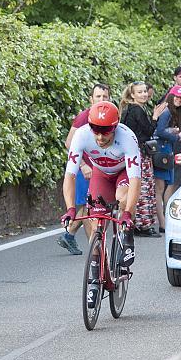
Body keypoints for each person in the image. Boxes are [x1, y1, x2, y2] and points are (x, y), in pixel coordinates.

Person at [60, 101, 142, 309]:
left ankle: (126, 234)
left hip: (123, 175)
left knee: (122, 196)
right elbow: (70, 175)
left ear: (115, 127)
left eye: (105, 132)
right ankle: (96, 277)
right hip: (101, 175)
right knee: (96, 223)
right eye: (95, 130)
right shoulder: (81, 135)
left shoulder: (127, 138)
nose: (99, 137)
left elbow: (135, 182)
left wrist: (128, 214)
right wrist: (70, 208)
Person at [57, 83, 111, 255]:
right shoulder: (83, 117)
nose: (101, 100)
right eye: (98, 96)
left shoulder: (110, 116)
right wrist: (83, 165)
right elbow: (68, 143)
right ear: (91, 99)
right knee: (89, 208)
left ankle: (70, 235)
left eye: (104, 97)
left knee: (92, 206)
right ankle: (94, 251)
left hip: (99, 170)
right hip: (84, 170)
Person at [120, 82, 166, 237]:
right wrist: (155, 117)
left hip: (130, 153)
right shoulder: (137, 110)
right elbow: (147, 132)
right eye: (140, 92)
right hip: (139, 153)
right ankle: (143, 225)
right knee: (144, 188)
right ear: (133, 95)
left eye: (145, 91)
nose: (144, 94)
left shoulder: (129, 109)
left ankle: (133, 222)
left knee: (134, 188)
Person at [153, 89, 181, 234]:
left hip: (166, 152)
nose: (179, 100)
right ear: (171, 96)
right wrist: (176, 136)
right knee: (159, 189)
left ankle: (165, 221)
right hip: (162, 153)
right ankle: (163, 223)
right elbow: (159, 131)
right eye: (177, 97)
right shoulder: (167, 112)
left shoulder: (171, 112)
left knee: (164, 188)